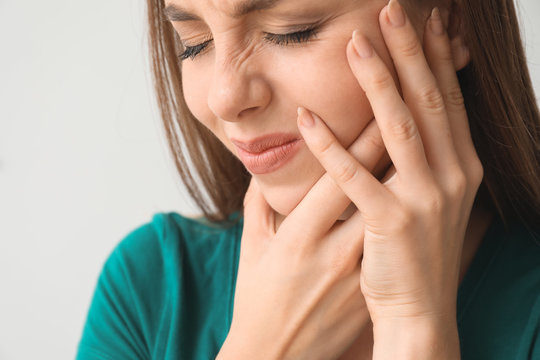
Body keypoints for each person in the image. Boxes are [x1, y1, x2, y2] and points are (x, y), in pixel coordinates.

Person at [76, 0, 540, 358]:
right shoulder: (149, 286)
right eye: (193, 42)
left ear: (453, 18)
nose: (224, 97)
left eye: (291, 31)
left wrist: (413, 330)